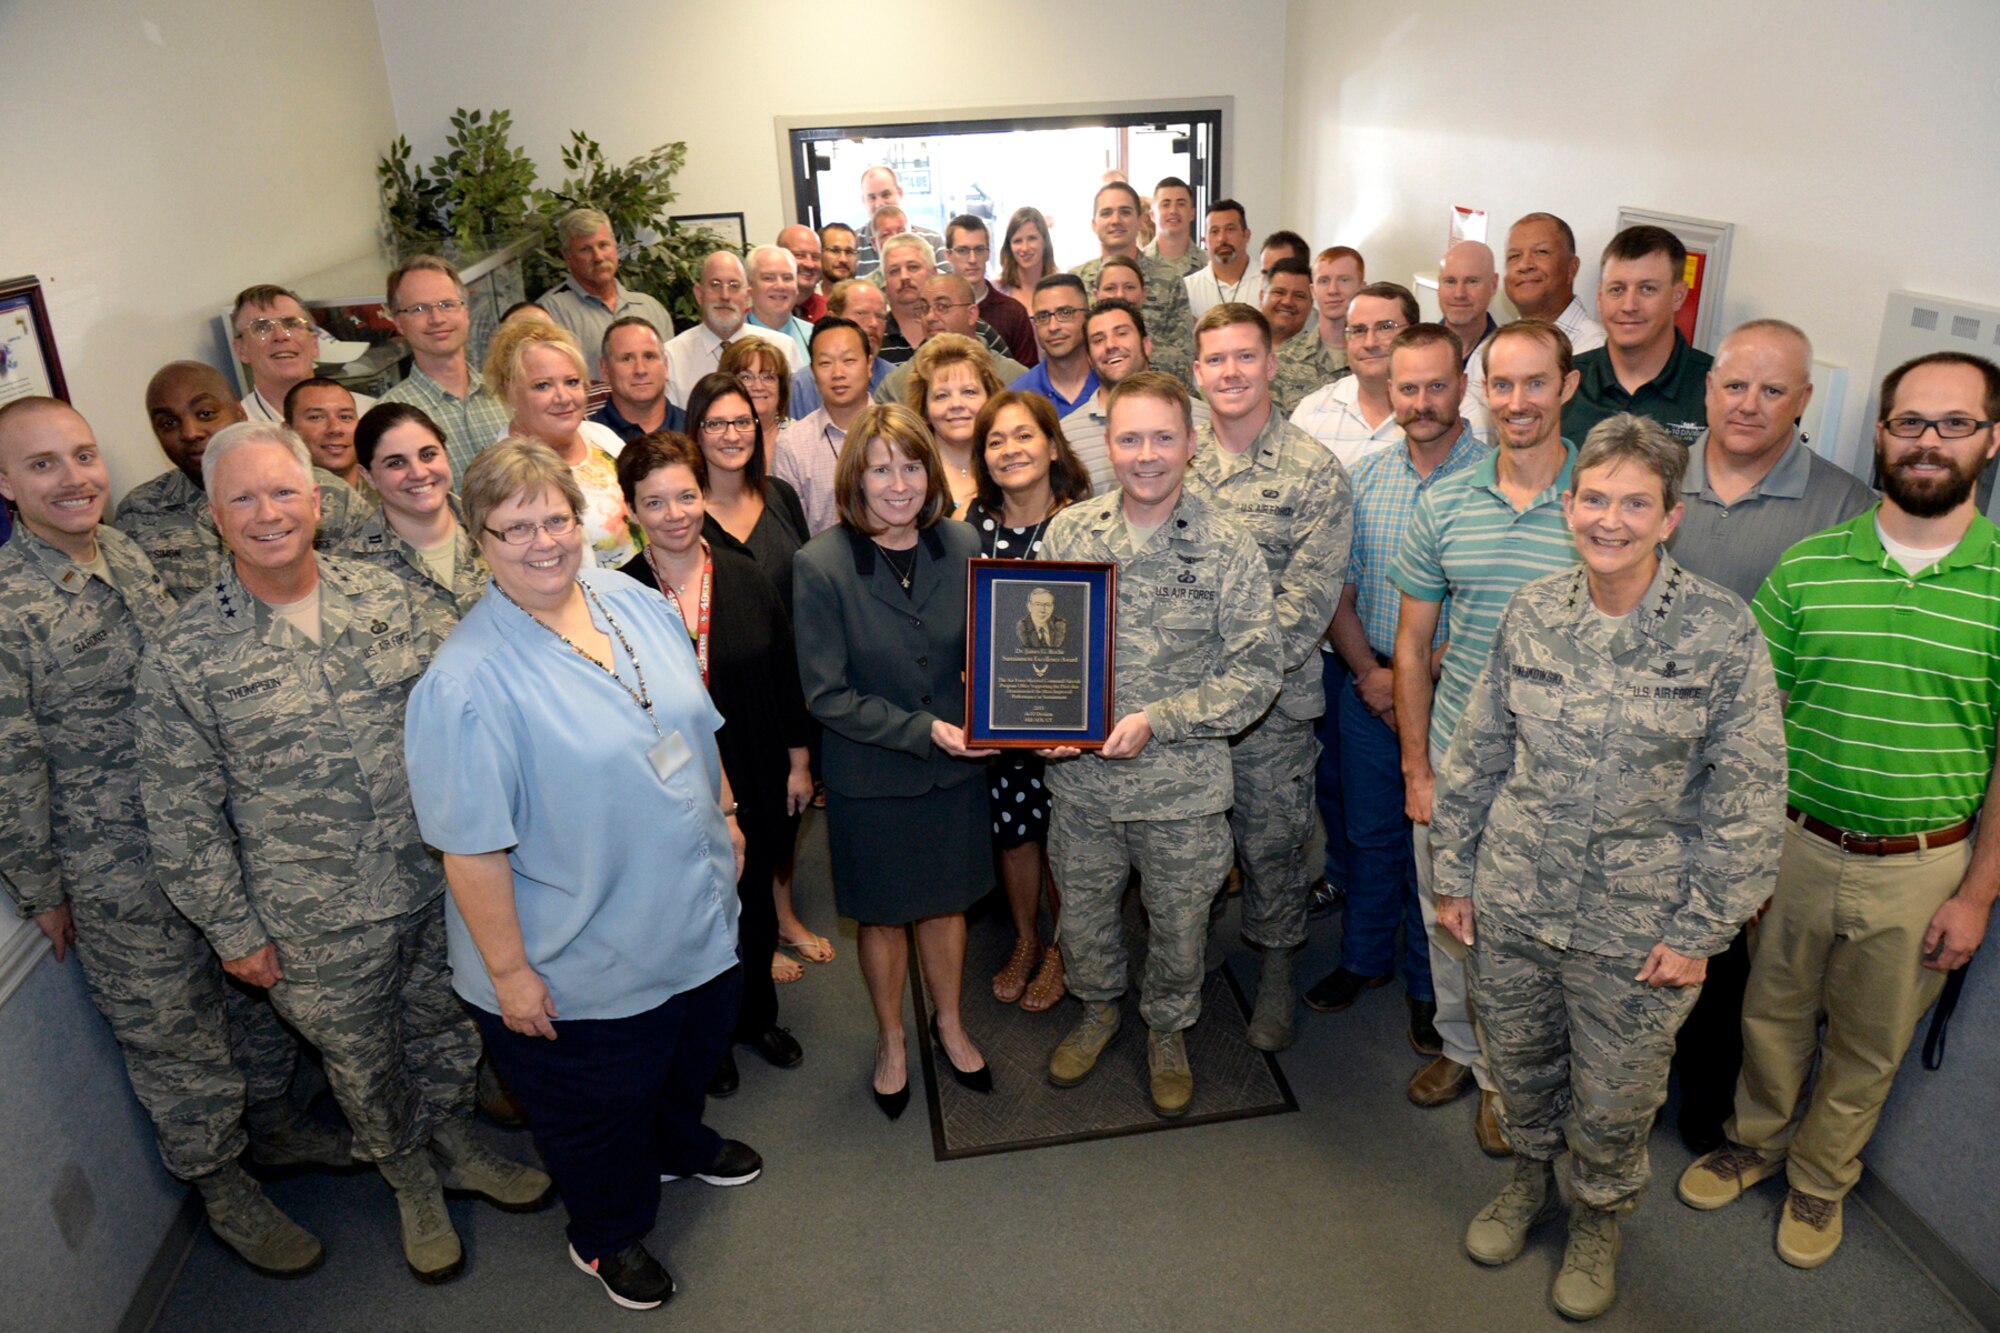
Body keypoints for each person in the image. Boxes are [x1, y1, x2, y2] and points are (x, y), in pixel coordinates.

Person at [136, 422, 548, 1286]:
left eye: (284, 491)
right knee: (362, 1063)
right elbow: (180, 814)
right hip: (311, 914)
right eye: (243, 497)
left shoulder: (387, 597)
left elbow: (474, 715)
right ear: (215, 517)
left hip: (436, 878)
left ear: (318, 503)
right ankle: (410, 1184)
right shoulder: (186, 651)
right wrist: (233, 930)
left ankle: (459, 1146)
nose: (268, 512)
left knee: (443, 1025)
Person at [1432, 414, 1784, 1321]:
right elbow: (1478, 754)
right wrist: (1455, 875)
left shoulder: (1720, 630)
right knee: (1520, 1066)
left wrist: (1702, 931)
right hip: (1515, 903)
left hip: (1640, 928)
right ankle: (1529, 1181)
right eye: (1595, 498)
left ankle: (1598, 1217)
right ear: (1569, 505)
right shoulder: (1534, 611)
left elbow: (1748, 798)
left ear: (1670, 517)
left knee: (1618, 1100)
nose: (1610, 520)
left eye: (1636, 503)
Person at [404, 439, 756, 1311]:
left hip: (691, 901)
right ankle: (605, 1233)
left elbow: (688, 717)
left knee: (690, 1049)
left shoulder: (630, 598)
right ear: (477, 538)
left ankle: (677, 1142)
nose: (544, 541)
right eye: (514, 527)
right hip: (576, 954)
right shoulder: (466, 682)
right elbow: (469, 848)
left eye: (555, 517)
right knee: (598, 1110)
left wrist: (730, 810)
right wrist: (513, 976)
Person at [0, 398, 345, 1278]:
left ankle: (272, 1129)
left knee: (250, 1003)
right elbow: (11, 765)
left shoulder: (122, 551)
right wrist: (42, 888)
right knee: (175, 1036)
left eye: (82, 454)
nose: (73, 477)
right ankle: (223, 1186)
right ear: (5, 485)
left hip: (210, 830)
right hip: (118, 866)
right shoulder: (10, 609)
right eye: (42, 464)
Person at [1678, 351, 2000, 1270]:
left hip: (1923, 864)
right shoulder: (1811, 565)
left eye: (1954, 423)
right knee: (1770, 1013)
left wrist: (1977, 893)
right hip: (1796, 844)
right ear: (1880, 431)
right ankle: (1755, 1140)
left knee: (1871, 1040)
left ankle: (1821, 1182)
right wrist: (1742, 855)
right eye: (1910, 422)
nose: (1928, 442)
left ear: (1992, 439)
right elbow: (1752, 724)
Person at [1040, 372, 1280, 1117]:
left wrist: (1161, 717)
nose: (1147, 455)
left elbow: (1257, 672)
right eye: (1130, 438)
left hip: (1182, 790)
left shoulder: (1228, 549)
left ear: (1193, 443)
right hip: (1082, 788)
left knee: (1180, 928)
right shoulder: (1070, 533)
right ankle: (1099, 1007)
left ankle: (1168, 1028)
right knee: (1082, 916)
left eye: (1163, 437)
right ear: (1107, 445)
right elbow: (1036, 654)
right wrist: (1040, 724)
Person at [1664, 320, 1875, 1152]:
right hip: (1640, 757)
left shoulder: (1846, 507)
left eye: (1773, 389)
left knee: (1726, 954)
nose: (1749, 404)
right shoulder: (1659, 473)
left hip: (1749, 774)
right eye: (1734, 385)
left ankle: (1705, 1104)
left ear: (1805, 400)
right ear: (1709, 388)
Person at [1392, 319, 1582, 1155]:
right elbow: (1410, 645)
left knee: (1530, 939)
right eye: (1500, 385)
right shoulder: (1444, 504)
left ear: (1567, 387)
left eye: (1534, 383)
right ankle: (1463, 1052)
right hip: (1457, 766)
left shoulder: (1598, 506)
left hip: (1557, 777)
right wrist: (1416, 767)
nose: (1516, 402)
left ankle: (1514, 1078)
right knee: (1447, 921)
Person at [792, 404, 995, 1118]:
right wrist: (927, 728)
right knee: (880, 917)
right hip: (871, 776)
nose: (899, 483)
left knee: (946, 907)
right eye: (881, 468)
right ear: (857, 477)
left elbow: (988, 652)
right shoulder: (818, 565)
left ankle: (949, 1021)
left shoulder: (964, 540)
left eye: (912, 465)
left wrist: (1005, 702)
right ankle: (889, 1038)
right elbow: (826, 696)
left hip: (957, 773)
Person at [1310, 324, 1490, 1056]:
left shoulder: (1492, 480)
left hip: (1453, 689)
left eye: (1435, 385)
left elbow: (1496, 614)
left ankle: (1427, 986)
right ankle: (1362, 959)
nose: (1420, 401)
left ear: (1463, 388)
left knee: (1438, 845)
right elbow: (1338, 591)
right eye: (1406, 387)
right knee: (1369, 830)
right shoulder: (1369, 477)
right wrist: (1370, 676)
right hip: (1367, 678)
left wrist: (1412, 673)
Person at [614, 432, 811, 1093]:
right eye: (656, 501)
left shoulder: (746, 573)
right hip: (672, 779)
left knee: (754, 905)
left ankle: (759, 1017)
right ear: (631, 511)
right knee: (695, 915)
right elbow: (625, 710)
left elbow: (785, 674)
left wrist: (799, 760)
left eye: (687, 496)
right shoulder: (619, 599)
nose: (676, 513)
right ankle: (711, 1038)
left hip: (755, 765)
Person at [1187, 305, 1352, 1053]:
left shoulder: (1314, 470)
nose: (1231, 372)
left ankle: (1277, 965)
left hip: (1273, 706)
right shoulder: (1173, 455)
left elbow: (1309, 602)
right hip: (1183, 701)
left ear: (1272, 363)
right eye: (1216, 359)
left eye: (1245, 357)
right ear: (1197, 372)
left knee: (1273, 840)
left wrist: (1228, 675)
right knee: (1186, 838)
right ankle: (1183, 962)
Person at [685, 365, 824, 977]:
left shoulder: (781, 497)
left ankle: (784, 912)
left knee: (786, 809)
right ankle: (751, 932)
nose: (731, 433)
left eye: (741, 420)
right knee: (736, 815)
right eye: (716, 423)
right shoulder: (686, 511)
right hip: (721, 692)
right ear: (697, 432)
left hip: (791, 685)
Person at [965, 389, 1094, 1011]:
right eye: (995, 440)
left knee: (1066, 838)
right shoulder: (972, 526)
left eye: (1023, 435)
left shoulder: (1089, 521)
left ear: (1051, 444)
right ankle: (1025, 939)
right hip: (1004, 717)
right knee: (1016, 834)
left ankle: (1065, 948)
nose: (1010, 449)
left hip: (1072, 723)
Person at [120, 360, 368, 599]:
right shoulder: (139, 513)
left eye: (206, 414)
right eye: (169, 423)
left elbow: (373, 591)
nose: (190, 433)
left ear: (240, 414)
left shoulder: (330, 494)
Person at [485, 319, 637, 568]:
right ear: (510, 389)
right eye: (543, 385)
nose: (563, 397)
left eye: (572, 382)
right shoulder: (500, 476)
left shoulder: (602, 437)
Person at [341, 403, 488, 643]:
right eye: (396, 463)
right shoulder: (349, 572)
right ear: (368, 476)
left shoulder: (500, 531)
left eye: (428, 455)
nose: (418, 473)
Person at [1564, 225, 1714, 445]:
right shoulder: (1564, 382)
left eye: (1647, 289)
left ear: (1678, 296)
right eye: (1617, 289)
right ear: (1599, 297)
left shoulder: (1716, 390)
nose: (1629, 305)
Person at [379, 255, 513, 484]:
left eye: (447, 305)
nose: (437, 318)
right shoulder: (389, 416)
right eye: (419, 309)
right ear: (398, 322)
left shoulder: (509, 394)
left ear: (465, 312)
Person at [1064, 299, 1213, 493]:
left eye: (1122, 333)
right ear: (1089, 359)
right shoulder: (1067, 436)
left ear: (1146, 344)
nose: (1110, 345)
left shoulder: (1202, 417)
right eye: (1098, 339)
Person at [1070, 182, 1197, 387]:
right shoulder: (1076, 280)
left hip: (1157, 391)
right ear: (1094, 224)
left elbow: (1183, 357)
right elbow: (1071, 351)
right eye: (1106, 213)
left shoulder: (1168, 278)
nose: (1116, 220)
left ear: (1140, 221)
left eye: (1125, 212)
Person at [1292, 282, 1420, 468]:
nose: (1370, 343)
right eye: (1358, 330)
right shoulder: (1311, 412)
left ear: (1414, 333)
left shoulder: (1448, 409)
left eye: (1385, 327)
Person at [537, 207, 674, 380]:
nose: (598, 257)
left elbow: (670, 377)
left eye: (603, 245)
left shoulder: (651, 309)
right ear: (568, 256)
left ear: (615, 247)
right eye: (585, 249)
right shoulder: (550, 314)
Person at [665, 251, 801, 409]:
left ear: (747, 296)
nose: (725, 296)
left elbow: (797, 414)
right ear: (699, 294)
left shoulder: (782, 348)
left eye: (734, 286)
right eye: (715, 285)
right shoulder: (672, 356)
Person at [776, 317, 875, 535]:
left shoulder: (901, 433)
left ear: (869, 365)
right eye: (825, 363)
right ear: (812, 372)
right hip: (823, 566)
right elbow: (791, 531)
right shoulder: (791, 444)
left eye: (849, 360)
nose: (838, 373)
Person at [231, 284, 376, 423]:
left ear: (314, 344)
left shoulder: (368, 414)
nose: (280, 336)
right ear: (241, 350)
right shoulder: (236, 432)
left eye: (292, 324)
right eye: (261, 328)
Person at [879, 274, 1030, 405]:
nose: (930, 317)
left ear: (971, 314)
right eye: (924, 308)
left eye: (943, 306)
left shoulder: (1015, 378)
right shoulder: (896, 385)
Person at [903, 333, 1006, 517]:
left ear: (990, 398)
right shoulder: (907, 473)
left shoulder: (1010, 462)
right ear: (924, 407)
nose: (956, 404)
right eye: (942, 395)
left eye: (969, 391)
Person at [788, 279, 894, 417]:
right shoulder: (802, 385)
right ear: (833, 318)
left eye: (880, 316)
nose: (874, 323)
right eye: (861, 313)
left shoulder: (894, 380)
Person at [943, 213, 1038, 366]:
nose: (972, 259)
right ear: (948, 254)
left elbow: (1027, 376)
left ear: (988, 253)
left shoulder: (1013, 312)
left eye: (979, 249)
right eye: (963, 250)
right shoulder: (936, 313)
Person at [1503, 212, 1605, 353]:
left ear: (1572, 268)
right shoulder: (1490, 349)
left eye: (1541, 252)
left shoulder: (1597, 351)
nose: (1524, 265)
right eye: (1514, 256)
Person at [1262, 257, 1345, 415]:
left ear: (1310, 305)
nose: (1287, 302)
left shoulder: (1331, 361)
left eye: (1299, 296)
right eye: (1279, 292)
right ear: (1261, 296)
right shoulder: (1238, 351)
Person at [1092, 256, 1193, 387]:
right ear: (1096, 295)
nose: (1120, 295)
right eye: (1110, 288)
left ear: (1144, 294)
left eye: (1129, 287)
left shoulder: (1174, 360)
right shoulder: (1087, 354)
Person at [1011, 275, 1100, 419]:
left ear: (1087, 316)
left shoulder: (1113, 383)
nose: (1053, 327)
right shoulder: (1018, 397)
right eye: (1043, 316)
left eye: (1065, 313)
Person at [590, 316, 684, 443]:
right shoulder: (588, 439)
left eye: (649, 357)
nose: (640, 370)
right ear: (605, 370)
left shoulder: (696, 431)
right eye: (626, 359)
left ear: (665, 366)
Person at [284, 377, 372, 501]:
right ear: (288, 430)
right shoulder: (281, 504)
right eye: (316, 417)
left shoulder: (390, 490)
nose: (335, 429)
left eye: (345, 417)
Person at [851, 166, 946, 279]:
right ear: (864, 201)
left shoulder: (933, 240)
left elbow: (948, 286)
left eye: (886, 195)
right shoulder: (852, 244)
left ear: (899, 193)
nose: (879, 203)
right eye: (872, 197)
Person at [721, 336, 794, 470]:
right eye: (746, 377)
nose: (758, 386)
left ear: (781, 387)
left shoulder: (800, 437)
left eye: (768, 377)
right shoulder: (716, 438)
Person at [1438, 241, 1502, 383]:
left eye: (1472, 281)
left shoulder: (1508, 358)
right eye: (1450, 281)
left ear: (1493, 285)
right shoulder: (1416, 351)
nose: (1459, 294)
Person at [1186, 199, 1257, 321]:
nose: (1222, 238)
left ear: (1246, 235)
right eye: (1214, 231)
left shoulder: (1268, 283)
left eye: (1230, 229)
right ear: (1205, 241)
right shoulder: (1188, 288)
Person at [877, 234, 942, 365]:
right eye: (894, 271)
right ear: (885, 281)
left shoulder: (965, 324)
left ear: (934, 273)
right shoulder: (874, 335)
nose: (904, 276)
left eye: (913, 267)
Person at [745, 245, 814, 359]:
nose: (780, 286)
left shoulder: (814, 337)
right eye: (768, 278)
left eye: (787, 278)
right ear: (749, 285)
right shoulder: (733, 338)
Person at [996, 206, 1056, 319]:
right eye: (1017, 241)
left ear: (1044, 242)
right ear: (1009, 247)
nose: (1025, 248)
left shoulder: (1061, 290)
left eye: (1032, 238)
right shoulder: (995, 292)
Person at [1310, 245, 1365, 366]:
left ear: (1362, 288)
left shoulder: (1378, 356)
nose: (1333, 290)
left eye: (1344, 280)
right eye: (1324, 281)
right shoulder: (1285, 360)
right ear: (1313, 291)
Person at [1143, 176, 1206, 280]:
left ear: (1192, 213)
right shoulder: (1136, 266)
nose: (1173, 210)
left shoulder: (1210, 265)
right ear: (1152, 215)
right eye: (1165, 204)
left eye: (1181, 204)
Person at [777, 225, 827, 322]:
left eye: (815, 257)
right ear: (779, 257)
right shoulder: (755, 318)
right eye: (800, 255)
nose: (809, 264)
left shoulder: (832, 312)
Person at [818, 223, 860, 293]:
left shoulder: (868, 300)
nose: (843, 259)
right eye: (835, 251)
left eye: (849, 252)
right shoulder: (805, 300)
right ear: (820, 253)